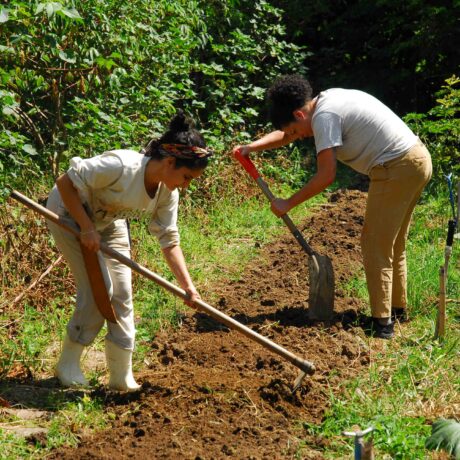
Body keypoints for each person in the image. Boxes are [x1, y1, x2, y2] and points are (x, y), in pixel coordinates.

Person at [233, 74, 432, 339]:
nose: (297, 137)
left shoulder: (324, 117)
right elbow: (285, 134)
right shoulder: (327, 99)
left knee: (375, 243)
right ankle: (397, 309)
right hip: (417, 159)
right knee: (393, 243)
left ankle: (382, 325)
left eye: (294, 131)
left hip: (396, 166)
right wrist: (251, 148)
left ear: (299, 114)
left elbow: (326, 176)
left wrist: (288, 203)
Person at [47, 110, 212, 390]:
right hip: (69, 213)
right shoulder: (121, 166)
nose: (185, 186)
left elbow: (169, 239)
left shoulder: (166, 193)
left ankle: (120, 377)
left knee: (122, 294)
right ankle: (68, 364)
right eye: (186, 177)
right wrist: (86, 228)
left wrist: (189, 287)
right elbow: (65, 182)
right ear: (170, 161)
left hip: (109, 221)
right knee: (100, 290)